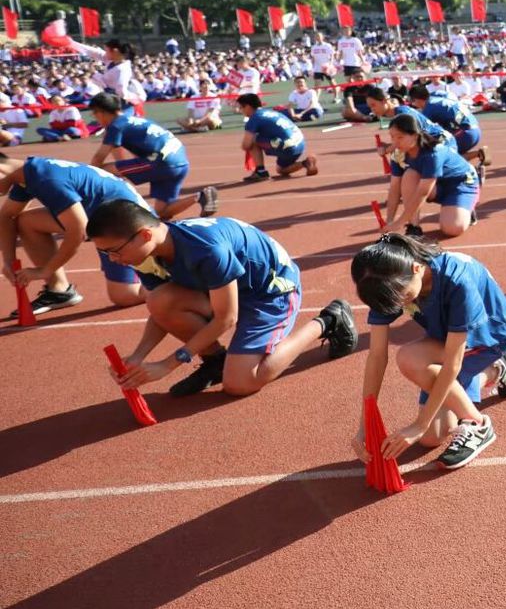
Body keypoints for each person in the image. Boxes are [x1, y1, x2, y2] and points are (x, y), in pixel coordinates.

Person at [90, 200, 356, 397]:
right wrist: (137, 356)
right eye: (105, 254)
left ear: (145, 234)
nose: (113, 260)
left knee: (241, 382)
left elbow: (226, 318)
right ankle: (215, 362)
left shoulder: (206, 249)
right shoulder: (143, 253)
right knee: (159, 300)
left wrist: (168, 364)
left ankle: (329, 320)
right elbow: (161, 310)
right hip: (224, 288)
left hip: (270, 290)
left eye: (113, 251)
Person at [350, 233, 506, 470]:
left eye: (405, 298)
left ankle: (478, 425)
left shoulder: (458, 280)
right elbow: (377, 356)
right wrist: (365, 424)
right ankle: (494, 371)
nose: (400, 305)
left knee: (409, 358)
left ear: (417, 268)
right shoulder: (384, 282)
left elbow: (452, 363)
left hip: (487, 336)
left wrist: (418, 424)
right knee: (432, 437)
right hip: (447, 340)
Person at [0, 154, 147, 313]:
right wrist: (9, 260)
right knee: (26, 221)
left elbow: (79, 231)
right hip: (103, 218)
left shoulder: (47, 180)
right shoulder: (28, 174)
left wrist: (45, 270)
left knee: (125, 296)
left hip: (128, 223)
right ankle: (59, 291)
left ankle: (173, 282)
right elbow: (7, 216)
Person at [382, 112, 479, 239]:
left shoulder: (432, 154)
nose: (395, 142)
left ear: (415, 135)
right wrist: (389, 222)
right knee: (410, 175)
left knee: (452, 229)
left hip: (460, 184)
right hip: (437, 184)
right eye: (392, 137)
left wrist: (399, 222)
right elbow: (394, 188)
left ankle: (468, 205)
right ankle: (414, 227)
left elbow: (422, 192)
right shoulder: (399, 154)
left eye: (400, 137)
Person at [236, 94, 318, 182]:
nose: (240, 111)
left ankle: (261, 171)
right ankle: (305, 163)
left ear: (247, 107)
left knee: (253, 141)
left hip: (287, 145)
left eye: (241, 108)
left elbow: (246, 145)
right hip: (300, 143)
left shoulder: (254, 118)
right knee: (281, 170)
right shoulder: (271, 112)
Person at [408, 84, 489, 171]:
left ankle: (472, 171)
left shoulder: (428, 109)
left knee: (441, 154)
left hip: (465, 133)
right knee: (449, 150)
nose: (413, 105)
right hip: (474, 129)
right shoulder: (436, 96)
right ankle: (479, 154)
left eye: (412, 102)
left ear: (417, 99)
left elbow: (422, 131)